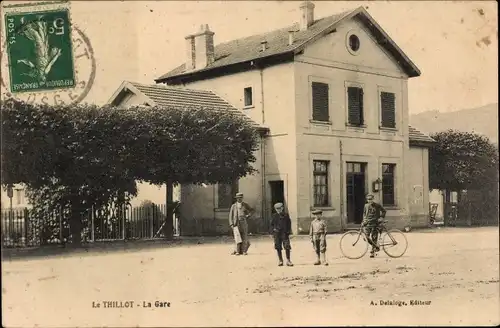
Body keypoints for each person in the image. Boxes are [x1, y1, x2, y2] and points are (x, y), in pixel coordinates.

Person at [361, 194, 387, 258]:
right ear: (367, 200)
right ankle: (376, 246)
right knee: (365, 237)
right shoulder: (366, 206)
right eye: (368, 199)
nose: (370, 201)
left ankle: (372, 252)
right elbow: (364, 214)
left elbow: (384, 211)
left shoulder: (377, 205)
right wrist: (364, 221)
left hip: (375, 224)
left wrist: (381, 217)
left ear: (373, 199)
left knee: (374, 238)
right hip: (368, 223)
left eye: (371, 199)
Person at [270, 202, 293, 267]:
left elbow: (289, 224)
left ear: (282, 208)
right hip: (277, 234)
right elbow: (271, 225)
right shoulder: (274, 216)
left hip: (284, 234)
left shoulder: (286, 215)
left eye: (279, 208)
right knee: (278, 247)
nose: (278, 210)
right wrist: (272, 232)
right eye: (277, 209)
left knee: (287, 246)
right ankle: (280, 260)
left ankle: (288, 260)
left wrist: (289, 232)